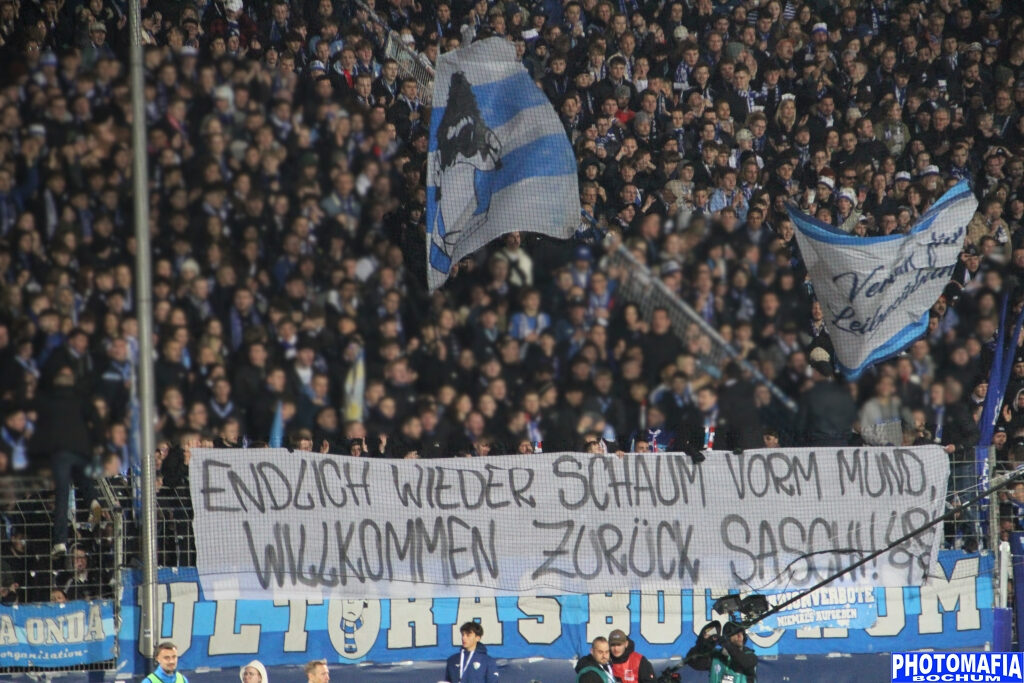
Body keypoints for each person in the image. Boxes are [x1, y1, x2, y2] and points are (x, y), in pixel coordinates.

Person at [686, 621, 757, 682]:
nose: (740, 636)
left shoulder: (749, 655)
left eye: (741, 633)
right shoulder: (716, 656)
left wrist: (726, 644)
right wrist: (703, 643)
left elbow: (745, 663)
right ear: (727, 636)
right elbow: (693, 662)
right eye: (736, 633)